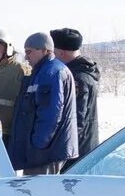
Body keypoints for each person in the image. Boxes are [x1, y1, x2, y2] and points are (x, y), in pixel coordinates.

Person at [8, 32, 78, 175]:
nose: (26, 57)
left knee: (40, 194)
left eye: (30, 52)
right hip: (45, 151)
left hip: (46, 153)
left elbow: (51, 113)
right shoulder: (42, 71)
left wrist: (37, 145)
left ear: (45, 50)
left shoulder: (50, 73)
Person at [50, 28, 101, 156]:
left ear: (61, 53)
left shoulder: (77, 78)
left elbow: (76, 119)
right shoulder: (82, 72)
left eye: (53, 52)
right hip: (82, 147)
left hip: (77, 150)